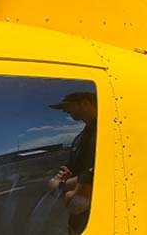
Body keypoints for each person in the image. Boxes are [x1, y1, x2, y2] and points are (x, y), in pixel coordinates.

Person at [47, 92, 97, 235]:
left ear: (85, 103)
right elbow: (69, 168)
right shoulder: (80, 139)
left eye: (66, 106)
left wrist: (60, 186)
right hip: (76, 223)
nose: (64, 111)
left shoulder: (107, 133)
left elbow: (76, 204)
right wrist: (62, 178)